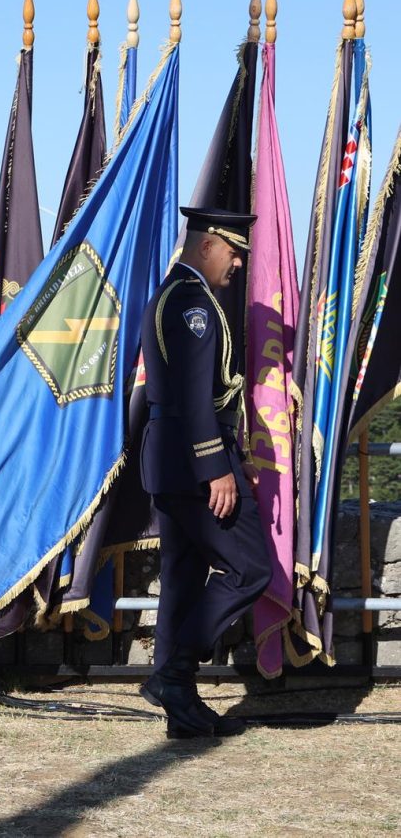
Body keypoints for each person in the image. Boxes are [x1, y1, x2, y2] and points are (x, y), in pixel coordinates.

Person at [138, 206, 270, 739]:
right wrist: (216, 465)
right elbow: (194, 393)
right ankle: (173, 673)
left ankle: (180, 707)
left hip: (172, 460)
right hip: (196, 462)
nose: (238, 262)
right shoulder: (192, 302)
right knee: (250, 567)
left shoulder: (176, 293)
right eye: (233, 250)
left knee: (185, 577)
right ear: (206, 245)